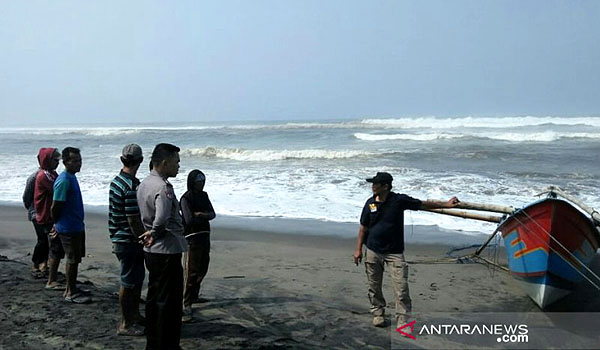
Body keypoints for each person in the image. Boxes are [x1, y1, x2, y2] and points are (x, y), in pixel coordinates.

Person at [353, 172, 459, 328]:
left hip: (394, 252)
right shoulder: (370, 204)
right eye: (373, 183)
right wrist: (358, 250)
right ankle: (378, 313)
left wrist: (446, 204)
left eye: (376, 184)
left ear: (386, 186)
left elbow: (422, 204)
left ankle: (402, 320)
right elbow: (363, 227)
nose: (373, 186)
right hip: (373, 250)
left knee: (401, 289)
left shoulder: (399, 200)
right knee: (374, 286)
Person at [137, 143, 188, 350]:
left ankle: (154, 341)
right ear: (164, 163)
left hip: (152, 250)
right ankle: (168, 344)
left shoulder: (144, 184)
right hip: (166, 249)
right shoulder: (162, 187)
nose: (178, 166)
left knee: (154, 297)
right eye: (176, 162)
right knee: (170, 302)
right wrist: (155, 231)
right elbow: (162, 218)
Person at [108, 144, 147, 336]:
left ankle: (135, 315)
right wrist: (144, 238)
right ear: (140, 161)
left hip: (118, 235)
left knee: (135, 279)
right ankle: (126, 323)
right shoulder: (131, 186)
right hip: (128, 240)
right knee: (129, 281)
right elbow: (133, 220)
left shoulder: (117, 181)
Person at [52, 147, 91, 304]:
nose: (78, 164)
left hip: (75, 225)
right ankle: (70, 291)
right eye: (75, 161)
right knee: (72, 259)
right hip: (68, 227)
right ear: (65, 162)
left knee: (76, 258)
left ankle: (72, 287)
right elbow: (55, 206)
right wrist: (56, 223)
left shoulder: (71, 177)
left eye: (80, 160)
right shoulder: (63, 180)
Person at [180, 169, 216, 322]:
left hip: (204, 235)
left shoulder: (204, 195)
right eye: (198, 181)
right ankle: (185, 303)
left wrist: (201, 215)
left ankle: (194, 295)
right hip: (192, 237)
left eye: (202, 180)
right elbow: (188, 220)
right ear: (192, 182)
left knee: (203, 267)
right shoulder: (186, 198)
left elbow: (212, 214)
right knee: (191, 271)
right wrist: (203, 216)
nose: (201, 183)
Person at [33, 148, 63, 289]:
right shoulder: (43, 175)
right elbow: (57, 190)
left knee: (49, 242)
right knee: (50, 243)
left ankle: (46, 267)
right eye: (55, 160)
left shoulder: (51, 174)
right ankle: (47, 272)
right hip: (45, 214)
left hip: (47, 214)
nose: (57, 163)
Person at [23, 152, 49, 278]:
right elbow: (26, 197)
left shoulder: (52, 176)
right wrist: (33, 210)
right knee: (42, 239)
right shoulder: (34, 177)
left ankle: (44, 263)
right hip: (36, 213)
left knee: (49, 239)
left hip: (48, 213)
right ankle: (36, 263)